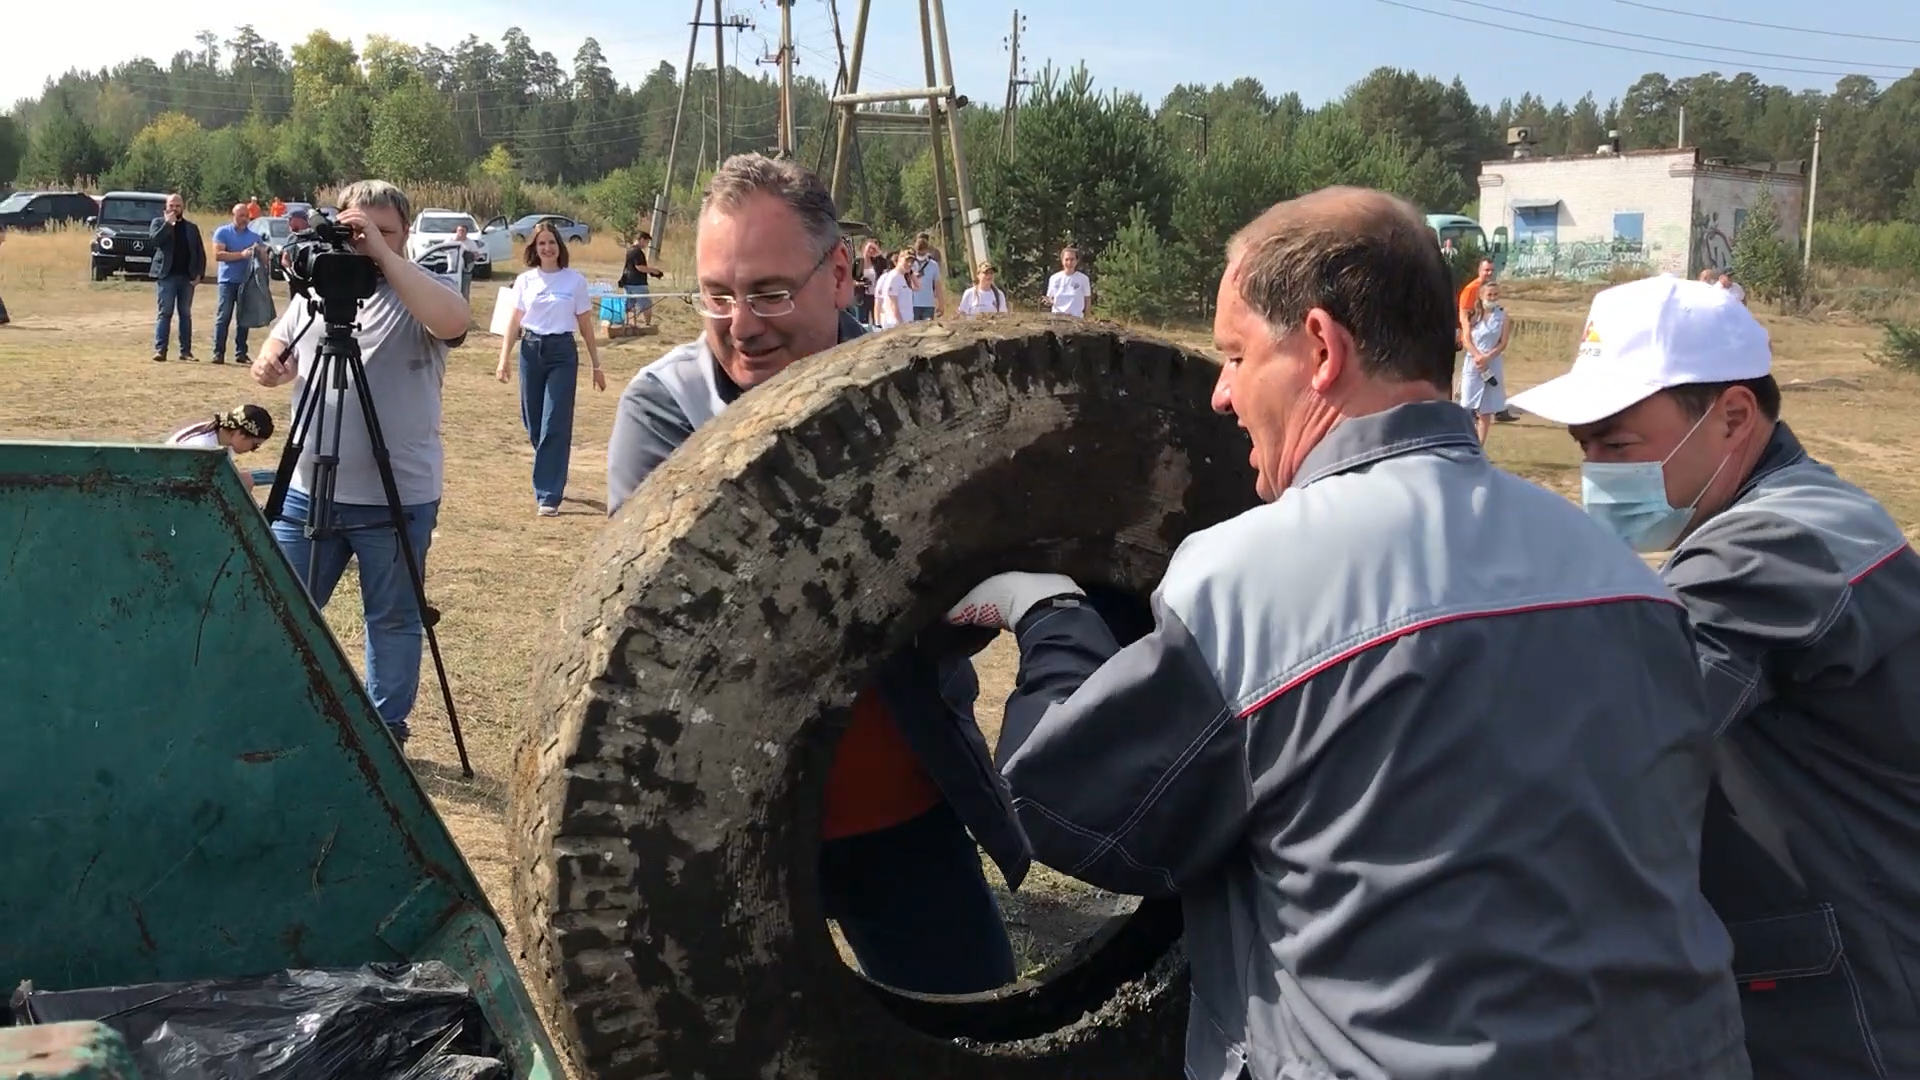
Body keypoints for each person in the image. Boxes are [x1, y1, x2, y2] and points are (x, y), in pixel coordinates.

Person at [940, 187, 1750, 1080]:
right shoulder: (1626, 581)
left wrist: (1050, 616)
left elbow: (1071, 813)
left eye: (1236, 355)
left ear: (1321, 350)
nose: (1219, 394)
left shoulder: (1247, 580)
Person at [604, 152, 1025, 997]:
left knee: (970, 1024)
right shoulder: (662, 409)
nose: (741, 325)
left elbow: (970, 583)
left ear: (838, 274)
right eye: (718, 296)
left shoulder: (923, 392)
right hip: (722, 816)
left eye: (767, 293)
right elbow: (669, 636)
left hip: (897, 809)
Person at [1508, 273, 1920, 1078]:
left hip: (1853, 1008)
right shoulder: (1811, 509)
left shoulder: (1770, 550)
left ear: (1732, 416)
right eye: (1583, 447)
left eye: (1618, 445)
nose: (1595, 471)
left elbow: (1604, 744)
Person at [249, 179, 471, 747]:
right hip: (309, 489)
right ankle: (273, 710)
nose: (365, 242)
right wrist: (271, 365)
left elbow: (452, 321)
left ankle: (384, 731)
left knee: (393, 617)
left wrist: (381, 254)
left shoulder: (417, 290)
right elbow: (276, 352)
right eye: (354, 230)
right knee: (283, 609)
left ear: (404, 235)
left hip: (399, 492)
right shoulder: (319, 290)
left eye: (382, 232)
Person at [495, 221, 606, 517]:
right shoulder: (525, 281)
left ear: (560, 247)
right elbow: (514, 322)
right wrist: (504, 358)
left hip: (562, 354)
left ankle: (548, 495)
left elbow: (585, 325)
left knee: (554, 422)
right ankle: (550, 465)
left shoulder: (575, 282)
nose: (547, 248)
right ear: (535, 248)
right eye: (542, 243)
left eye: (552, 242)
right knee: (534, 422)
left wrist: (597, 365)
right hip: (531, 351)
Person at [149, 192, 206, 364]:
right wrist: (168, 224)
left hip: (186, 278)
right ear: (166, 207)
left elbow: (199, 252)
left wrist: (199, 274)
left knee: (185, 314)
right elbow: (155, 241)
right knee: (165, 313)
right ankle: (161, 350)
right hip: (167, 276)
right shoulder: (159, 223)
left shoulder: (191, 228)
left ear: (183, 207)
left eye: (178, 206)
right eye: (171, 205)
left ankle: (186, 352)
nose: (174, 209)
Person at [165, 404, 274, 490]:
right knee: (244, 481)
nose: (252, 450)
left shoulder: (218, 435)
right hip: (172, 489)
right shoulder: (206, 448)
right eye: (255, 445)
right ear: (240, 433)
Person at [211, 202, 265, 365]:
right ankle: (218, 353)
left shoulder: (254, 237)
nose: (244, 219)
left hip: (246, 282)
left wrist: (261, 252)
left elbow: (264, 260)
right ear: (233, 215)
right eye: (241, 216)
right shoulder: (223, 232)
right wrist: (241, 255)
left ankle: (241, 353)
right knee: (223, 317)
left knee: (243, 319)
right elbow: (218, 255)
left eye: (246, 216)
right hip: (228, 281)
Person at [1460, 279, 1510, 443]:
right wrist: (1477, 356)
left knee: (1485, 410)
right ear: (1481, 295)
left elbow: (1503, 343)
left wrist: (1487, 357)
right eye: (1489, 294)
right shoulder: (1472, 315)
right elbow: (1466, 339)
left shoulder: (1502, 316)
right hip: (1473, 364)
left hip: (1492, 364)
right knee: (1467, 405)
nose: (1493, 298)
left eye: (1496, 294)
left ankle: (1479, 447)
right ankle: (1465, 442)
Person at [617, 229, 664, 330]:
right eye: (646, 242)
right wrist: (654, 271)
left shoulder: (630, 250)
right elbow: (639, 267)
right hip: (638, 283)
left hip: (628, 281)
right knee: (646, 305)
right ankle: (648, 325)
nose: (647, 244)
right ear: (642, 239)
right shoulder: (638, 252)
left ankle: (628, 323)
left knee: (629, 304)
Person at [1044, 246, 1092, 317]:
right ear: (1062, 261)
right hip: (1057, 318)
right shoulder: (1054, 278)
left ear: (1076, 261)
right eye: (1066, 259)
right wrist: (1049, 302)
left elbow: (1087, 299)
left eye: (1072, 259)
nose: (1069, 262)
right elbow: (1050, 297)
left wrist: (1087, 316)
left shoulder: (1083, 279)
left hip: (1076, 319)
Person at [874, 249, 916, 329]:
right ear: (899, 260)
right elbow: (893, 305)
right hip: (896, 326)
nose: (909, 264)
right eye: (906, 261)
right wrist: (901, 325)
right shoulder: (894, 277)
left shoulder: (902, 277)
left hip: (906, 323)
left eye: (912, 262)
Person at [908, 232, 944, 321]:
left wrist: (941, 304)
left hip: (928, 304)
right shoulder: (910, 263)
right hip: (912, 304)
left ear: (927, 250)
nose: (920, 255)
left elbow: (937, 285)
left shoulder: (933, 265)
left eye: (922, 253)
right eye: (919, 253)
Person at [855, 238, 887, 326]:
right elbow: (850, 279)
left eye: (873, 248)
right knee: (862, 322)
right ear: (864, 248)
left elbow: (886, 263)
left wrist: (878, 250)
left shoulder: (876, 262)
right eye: (869, 248)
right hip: (862, 296)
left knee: (877, 320)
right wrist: (860, 283)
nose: (871, 250)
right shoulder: (857, 262)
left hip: (875, 295)